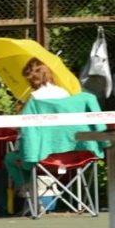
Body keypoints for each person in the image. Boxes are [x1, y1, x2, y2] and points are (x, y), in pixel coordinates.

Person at [4, 57, 70, 194]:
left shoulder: (34, 97)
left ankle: (29, 189)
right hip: (68, 153)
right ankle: (44, 189)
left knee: (10, 158)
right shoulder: (65, 94)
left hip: (39, 154)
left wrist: (20, 111)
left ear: (31, 79)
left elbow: (22, 126)